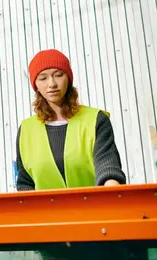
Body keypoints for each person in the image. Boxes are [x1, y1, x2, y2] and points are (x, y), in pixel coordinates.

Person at [16, 48, 126, 190]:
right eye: (43, 78)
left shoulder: (95, 120)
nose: (52, 84)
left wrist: (113, 193)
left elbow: (108, 166)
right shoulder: (26, 130)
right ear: (35, 84)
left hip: (94, 208)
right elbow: (25, 183)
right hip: (44, 211)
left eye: (58, 75)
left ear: (68, 78)